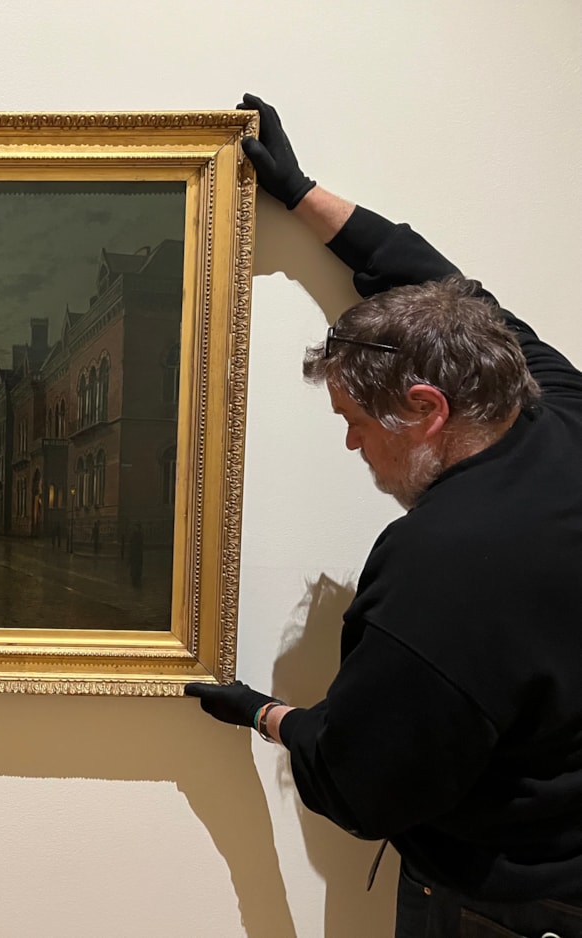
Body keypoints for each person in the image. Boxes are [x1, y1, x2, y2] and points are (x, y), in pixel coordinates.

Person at [185, 95, 582, 937]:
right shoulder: (561, 407)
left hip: (510, 911)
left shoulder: (441, 564)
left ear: (428, 409)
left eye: (357, 423)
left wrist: (264, 712)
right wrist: (300, 193)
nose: (351, 445)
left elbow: (362, 786)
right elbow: (448, 291)